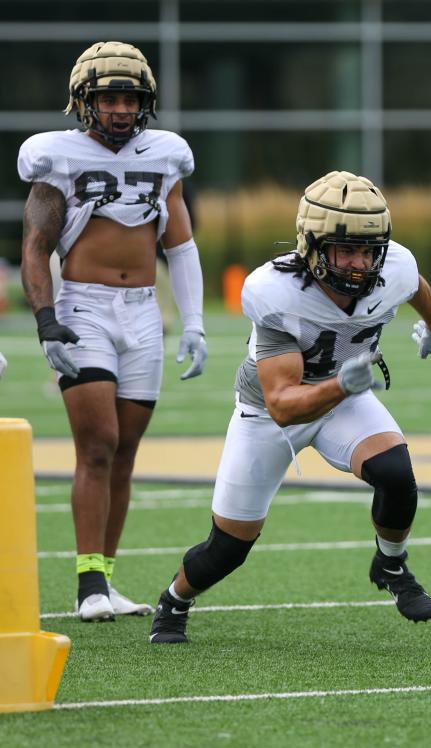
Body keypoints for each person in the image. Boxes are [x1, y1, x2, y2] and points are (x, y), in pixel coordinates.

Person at [149, 171, 431, 644]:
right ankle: (174, 600)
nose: (359, 263)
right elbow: (285, 405)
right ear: (312, 247)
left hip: (343, 399)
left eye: (369, 250)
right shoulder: (275, 292)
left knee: (396, 472)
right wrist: (342, 384)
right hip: (269, 414)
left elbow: (414, 285)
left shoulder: (394, 267)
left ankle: (391, 564)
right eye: (345, 250)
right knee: (228, 547)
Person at [18, 41, 208, 622]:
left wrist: (195, 322)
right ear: (84, 102)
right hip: (86, 308)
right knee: (96, 445)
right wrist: (47, 323)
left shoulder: (165, 154)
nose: (122, 109)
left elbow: (181, 245)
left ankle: (107, 579)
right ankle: (87, 584)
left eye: (131, 98)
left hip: (143, 311)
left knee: (124, 453)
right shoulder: (59, 156)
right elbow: (35, 246)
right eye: (110, 98)